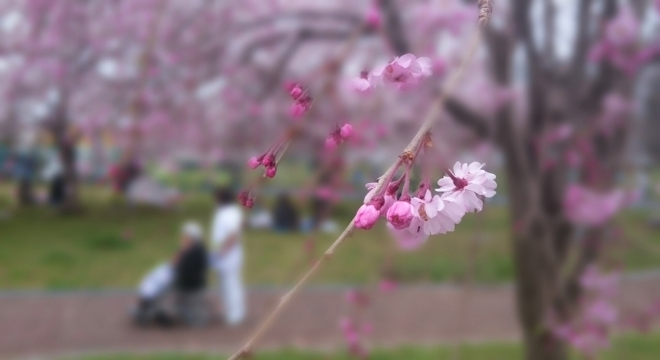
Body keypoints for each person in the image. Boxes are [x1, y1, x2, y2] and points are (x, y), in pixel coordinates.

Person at [132, 221, 208, 326]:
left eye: (186, 236)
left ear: (192, 237)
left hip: (186, 280)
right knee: (154, 280)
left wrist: (176, 263)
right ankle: (146, 304)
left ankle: (148, 306)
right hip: (175, 274)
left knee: (159, 283)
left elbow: (181, 266)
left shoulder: (195, 251)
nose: (183, 238)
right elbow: (174, 260)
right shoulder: (188, 248)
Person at [210, 187, 246, 326]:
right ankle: (229, 312)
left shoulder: (230, 213)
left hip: (229, 254)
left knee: (232, 284)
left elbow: (233, 234)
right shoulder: (225, 212)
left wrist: (223, 250)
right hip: (223, 254)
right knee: (224, 285)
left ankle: (236, 314)